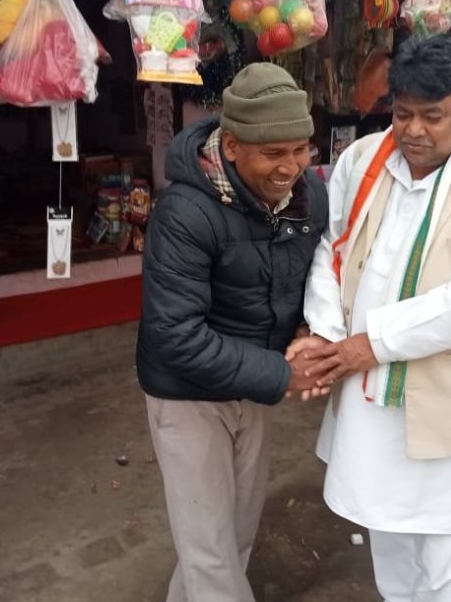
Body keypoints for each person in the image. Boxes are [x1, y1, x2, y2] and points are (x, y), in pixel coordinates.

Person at [292, 36, 451, 602]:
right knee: (389, 540)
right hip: (372, 399)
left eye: (433, 116)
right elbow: (333, 250)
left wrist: (369, 343)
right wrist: (326, 336)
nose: (414, 131)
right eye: (403, 114)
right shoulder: (362, 160)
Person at [136, 63, 327, 602]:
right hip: (188, 396)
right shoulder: (183, 213)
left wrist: (311, 330)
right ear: (233, 146)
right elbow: (175, 336)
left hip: (256, 386)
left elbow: (315, 276)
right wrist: (284, 374)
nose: (290, 167)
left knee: (234, 533)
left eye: (301, 150)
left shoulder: (309, 197)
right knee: (209, 549)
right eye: (273, 153)